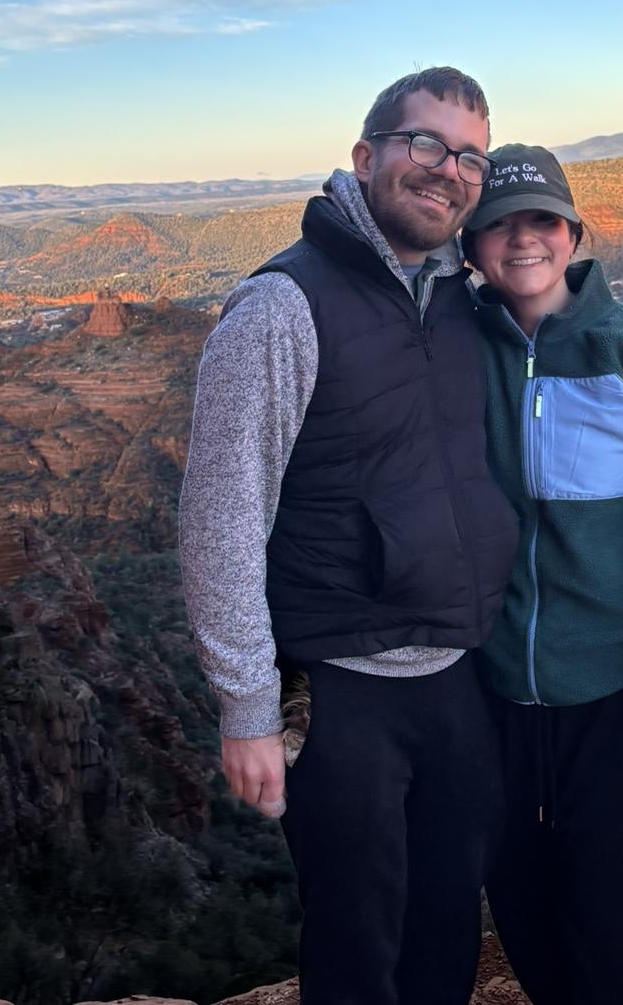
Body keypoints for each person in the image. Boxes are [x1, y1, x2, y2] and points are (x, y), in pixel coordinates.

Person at [177, 67, 519, 1005]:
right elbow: (221, 517)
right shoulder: (282, 306)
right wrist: (248, 708)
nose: (448, 170)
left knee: (446, 926)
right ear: (366, 157)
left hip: (456, 675)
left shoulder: (460, 299)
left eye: (471, 158)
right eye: (426, 144)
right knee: (358, 946)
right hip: (340, 693)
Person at [462, 143, 623, 1005]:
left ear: (573, 234)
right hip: (498, 701)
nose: (523, 240)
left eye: (542, 220)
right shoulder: (458, 350)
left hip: (620, 700)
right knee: (529, 912)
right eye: (499, 225)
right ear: (471, 247)